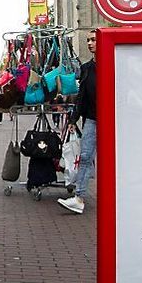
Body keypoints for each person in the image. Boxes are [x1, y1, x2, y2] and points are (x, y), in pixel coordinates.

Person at [59, 29, 97, 214]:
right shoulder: (87, 68)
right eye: (88, 40)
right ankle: (79, 197)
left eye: (93, 40)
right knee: (85, 157)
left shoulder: (113, 63)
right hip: (92, 119)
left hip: (113, 120)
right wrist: (74, 118)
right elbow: (82, 96)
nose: (90, 43)